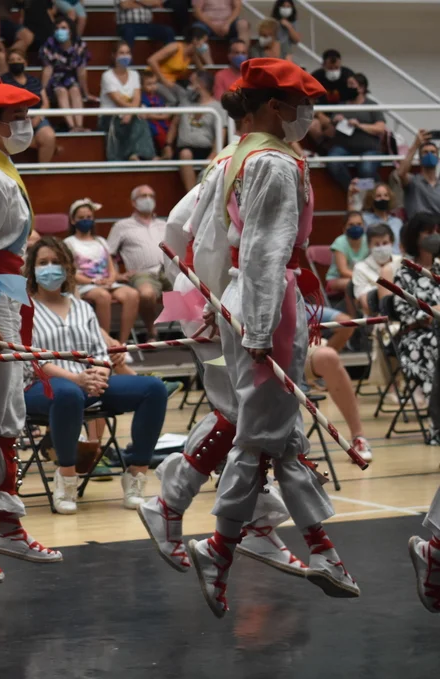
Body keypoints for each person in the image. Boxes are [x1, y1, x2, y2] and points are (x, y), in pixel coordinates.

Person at [186, 58, 358, 619]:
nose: (309, 114)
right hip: (268, 302)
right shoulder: (277, 164)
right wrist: (260, 328)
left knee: (281, 436)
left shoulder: (239, 154)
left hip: (244, 295)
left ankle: (323, 551)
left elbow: (207, 238)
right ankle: (219, 549)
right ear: (275, 106)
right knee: (260, 436)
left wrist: (219, 303)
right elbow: (265, 251)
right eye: (302, 104)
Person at [141, 123, 313, 578]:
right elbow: (199, 239)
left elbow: (177, 225)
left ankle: (252, 520)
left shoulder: (238, 158)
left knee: (251, 418)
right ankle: (172, 504)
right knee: (243, 417)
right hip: (215, 303)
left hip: (212, 299)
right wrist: (210, 301)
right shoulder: (249, 162)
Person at [0, 83, 62, 581]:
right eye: (18, 116)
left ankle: (7, 524)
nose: (27, 125)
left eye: (28, 116)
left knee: (8, 414)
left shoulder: (1, 166)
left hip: (9, 293)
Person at [24, 236, 167, 512]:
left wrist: (100, 373)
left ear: (67, 268)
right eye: (43, 263)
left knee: (153, 388)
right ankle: (67, 479)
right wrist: (77, 379)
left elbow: (100, 352)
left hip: (89, 384)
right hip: (42, 387)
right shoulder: (24, 310)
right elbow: (35, 361)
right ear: (32, 269)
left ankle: (136, 474)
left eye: (56, 262)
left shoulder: (82, 307)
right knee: (68, 393)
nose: (50, 268)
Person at [391, 212, 440, 443]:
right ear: (415, 236)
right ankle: (437, 426)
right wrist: (432, 311)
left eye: (437, 231)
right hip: (416, 337)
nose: (435, 236)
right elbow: (403, 312)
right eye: (428, 232)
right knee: (434, 345)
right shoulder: (404, 272)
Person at [65, 198, 140, 343]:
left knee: (132, 294)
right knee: (103, 296)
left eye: (89, 217)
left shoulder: (100, 241)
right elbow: (70, 273)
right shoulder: (68, 243)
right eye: (81, 217)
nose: (85, 220)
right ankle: (106, 343)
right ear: (73, 220)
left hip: (106, 282)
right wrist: (93, 281)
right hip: (84, 285)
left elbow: (110, 267)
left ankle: (122, 344)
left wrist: (111, 279)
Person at [107, 185, 168, 337]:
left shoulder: (164, 224)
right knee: (147, 295)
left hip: (168, 270)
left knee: (189, 289)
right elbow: (108, 254)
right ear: (134, 202)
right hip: (142, 273)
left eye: (151, 196)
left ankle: (191, 331)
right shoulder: (121, 226)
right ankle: (151, 331)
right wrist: (116, 275)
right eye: (143, 196)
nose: (148, 199)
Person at [318, 73, 385, 191]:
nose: (348, 87)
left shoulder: (372, 105)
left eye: (352, 84)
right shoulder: (341, 105)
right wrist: (334, 122)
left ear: (361, 88)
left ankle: (374, 188)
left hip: (369, 149)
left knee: (366, 169)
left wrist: (359, 125)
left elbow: (380, 128)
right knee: (333, 162)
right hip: (344, 148)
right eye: (347, 85)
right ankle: (351, 189)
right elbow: (328, 133)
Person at [168, 70, 224, 190]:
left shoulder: (218, 107)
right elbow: (174, 125)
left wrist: (214, 153)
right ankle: (192, 196)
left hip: (206, 150)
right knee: (185, 153)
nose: (189, 87)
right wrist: (167, 145)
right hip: (183, 149)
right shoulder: (185, 102)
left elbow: (221, 133)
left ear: (201, 85)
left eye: (191, 83)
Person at [0, 49, 57, 163]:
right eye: (12, 60)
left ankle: (42, 170)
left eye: (18, 59)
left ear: (25, 62)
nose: (15, 62)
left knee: (48, 136)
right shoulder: (3, 81)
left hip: (37, 119)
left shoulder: (34, 80)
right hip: (13, 120)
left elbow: (45, 102)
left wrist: (38, 118)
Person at [100, 40, 154, 162]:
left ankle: (138, 155)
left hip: (130, 114)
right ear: (114, 55)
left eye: (128, 53)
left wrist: (130, 112)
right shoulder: (107, 76)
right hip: (110, 117)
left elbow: (137, 98)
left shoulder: (134, 75)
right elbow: (118, 100)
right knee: (133, 119)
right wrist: (132, 111)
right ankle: (132, 155)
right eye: (121, 53)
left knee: (140, 119)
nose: (125, 56)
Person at [38, 18, 92, 130]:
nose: (60, 31)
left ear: (70, 30)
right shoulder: (49, 45)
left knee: (75, 90)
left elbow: (81, 70)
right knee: (61, 91)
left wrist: (86, 93)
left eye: (63, 28)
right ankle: (72, 126)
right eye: (57, 28)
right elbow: (48, 69)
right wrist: (42, 92)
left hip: (71, 78)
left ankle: (79, 126)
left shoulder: (79, 45)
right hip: (55, 80)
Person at [147, 26, 211, 107]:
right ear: (195, 40)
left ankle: (186, 115)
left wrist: (195, 81)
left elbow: (202, 71)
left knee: (184, 95)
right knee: (173, 100)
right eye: (204, 41)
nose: (205, 45)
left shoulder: (192, 54)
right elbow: (151, 60)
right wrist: (163, 80)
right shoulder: (175, 47)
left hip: (171, 82)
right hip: (155, 80)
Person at [349, 223, 396, 313]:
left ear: (392, 242)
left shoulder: (402, 263)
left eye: (385, 243)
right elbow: (366, 304)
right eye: (377, 244)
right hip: (376, 317)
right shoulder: (360, 268)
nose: (381, 248)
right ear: (369, 245)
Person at [323, 211, 367, 298]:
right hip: (337, 279)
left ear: (364, 226)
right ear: (344, 229)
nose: (356, 227)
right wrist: (365, 277)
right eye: (351, 225)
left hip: (361, 277)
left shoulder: (368, 240)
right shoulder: (340, 242)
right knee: (352, 284)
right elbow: (343, 271)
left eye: (359, 224)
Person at [397, 130, 440, 220]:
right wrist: (415, 145)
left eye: (433, 152)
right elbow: (401, 173)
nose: (429, 155)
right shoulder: (413, 181)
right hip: (418, 226)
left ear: (438, 159)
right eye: (425, 152)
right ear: (419, 160)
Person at [358, 181, 403, 251]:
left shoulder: (398, 222)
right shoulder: (364, 219)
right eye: (378, 196)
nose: (383, 198)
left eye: (386, 195)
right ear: (371, 199)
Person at [140, 70, 173, 158]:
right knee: (157, 133)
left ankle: (166, 153)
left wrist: (156, 115)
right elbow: (146, 115)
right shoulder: (141, 98)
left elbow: (167, 114)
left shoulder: (160, 98)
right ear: (142, 86)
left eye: (154, 83)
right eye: (149, 84)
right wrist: (160, 116)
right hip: (150, 124)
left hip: (162, 122)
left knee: (170, 130)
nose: (153, 86)